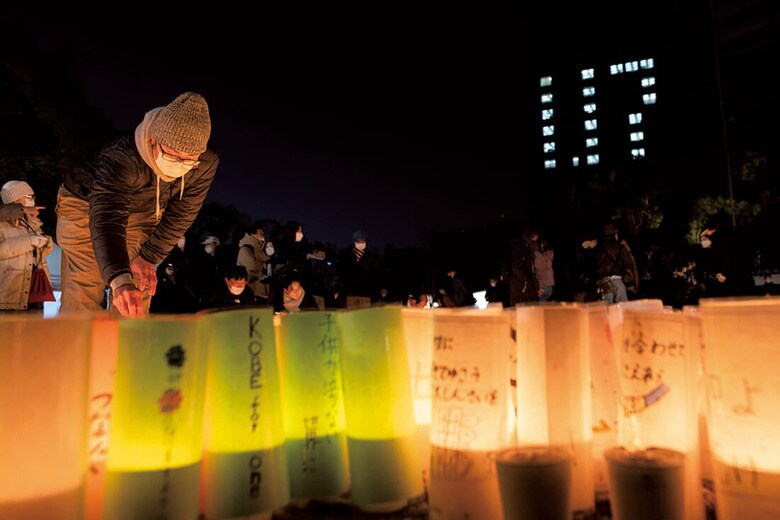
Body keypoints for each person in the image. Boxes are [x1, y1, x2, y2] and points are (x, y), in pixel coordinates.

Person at [56, 91, 217, 318]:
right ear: (154, 140)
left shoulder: (205, 163)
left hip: (143, 210)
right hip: (85, 202)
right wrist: (119, 279)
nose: (180, 165)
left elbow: (182, 214)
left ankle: (129, 347)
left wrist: (148, 257)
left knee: (139, 282)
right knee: (87, 279)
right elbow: (107, 217)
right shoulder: (123, 156)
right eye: (172, 155)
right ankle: (77, 349)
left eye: (189, 159)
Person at [0, 180, 56, 312]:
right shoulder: (2, 223)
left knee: (34, 332)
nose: (32, 200)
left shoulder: (30, 221)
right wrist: (30, 241)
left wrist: (46, 244)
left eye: (33, 196)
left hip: (34, 290)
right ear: (13, 199)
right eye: (28, 197)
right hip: (10, 293)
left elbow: (34, 254)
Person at [336, 229, 381, 310]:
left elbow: (375, 276)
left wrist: (376, 294)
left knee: (364, 317)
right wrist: (338, 290)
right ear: (354, 242)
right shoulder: (345, 255)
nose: (361, 244)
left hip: (365, 293)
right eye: (359, 242)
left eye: (362, 242)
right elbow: (341, 273)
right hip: (350, 293)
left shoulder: (372, 257)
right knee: (351, 317)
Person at [595, 223, 636, 304]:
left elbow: (595, 266)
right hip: (618, 280)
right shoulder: (620, 247)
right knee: (622, 307)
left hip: (604, 282)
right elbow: (629, 264)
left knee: (607, 309)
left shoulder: (598, 249)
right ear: (614, 234)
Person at [501, 224, 539, 305]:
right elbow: (516, 265)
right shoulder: (520, 247)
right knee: (521, 309)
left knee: (530, 309)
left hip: (524, 286)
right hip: (520, 286)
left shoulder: (526, 247)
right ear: (530, 235)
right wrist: (525, 279)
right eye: (535, 236)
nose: (536, 239)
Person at [236, 222, 272, 305]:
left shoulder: (262, 251)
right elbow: (254, 265)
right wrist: (266, 265)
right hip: (251, 293)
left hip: (264, 293)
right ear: (251, 234)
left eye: (263, 232)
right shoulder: (245, 249)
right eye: (260, 232)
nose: (262, 234)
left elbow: (269, 268)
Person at [534, 236, 555, 302]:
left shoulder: (539, 256)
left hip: (543, 287)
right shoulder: (549, 255)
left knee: (540, 310)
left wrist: (541, 287)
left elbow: (540, 271)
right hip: (550, 286)